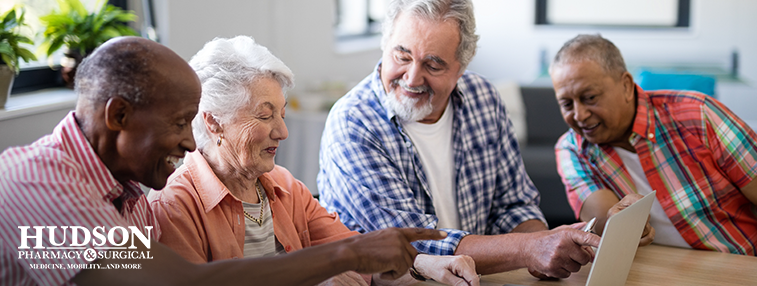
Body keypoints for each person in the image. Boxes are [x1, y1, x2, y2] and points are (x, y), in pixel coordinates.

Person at [0, 36, 452, 286]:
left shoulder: (131, 193)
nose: (188, 143)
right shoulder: (38, 182)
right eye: (180, 123)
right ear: (119, 115)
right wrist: (348, 254)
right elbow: (184, 284)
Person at [148, 35, 479, 286]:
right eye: (264, 116)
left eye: (282, 112)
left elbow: (358, 253)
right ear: (213, 122)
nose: (282, 131)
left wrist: (425, 264)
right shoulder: (175, 206)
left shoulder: (284, 186)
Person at [317, 0, 600, 279]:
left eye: (433, 65)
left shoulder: (484, 98)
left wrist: (542, 249)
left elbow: (514, 205)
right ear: (385, 45)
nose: (412, 78)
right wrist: (529, 248)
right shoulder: (353, 122)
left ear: (460, 68)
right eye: (402, 57)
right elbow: (409, 243)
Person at [550, 34, 757, 261]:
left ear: (626, 85)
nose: (579, 115)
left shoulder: (699, 114)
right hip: (662, 274)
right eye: (566, 104)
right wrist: (621, 224)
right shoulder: (572, 149)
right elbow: (606, 221)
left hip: (746, 266)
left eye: (590, 97)